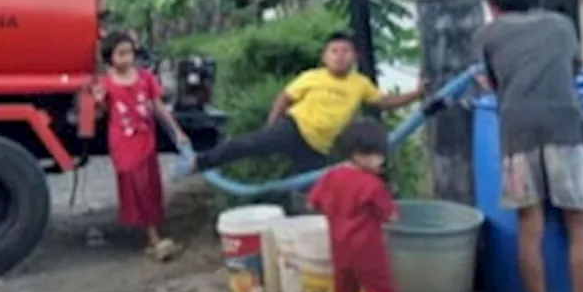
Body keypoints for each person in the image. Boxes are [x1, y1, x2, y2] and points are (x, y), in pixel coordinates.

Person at [476, 0, 583, 292]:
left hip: (517, 134)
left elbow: (496, 84)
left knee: (530, 226)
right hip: (566, 129)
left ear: (494, 2)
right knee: (579, 225)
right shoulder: (561, 25)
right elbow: (573, 72)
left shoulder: (488, 35)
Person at [173, 32, 424, 178]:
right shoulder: (312, 77)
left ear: (354, 57)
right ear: (325, 57)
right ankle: (200, 162)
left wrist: (416, 93)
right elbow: (285, 97)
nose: (339, 56)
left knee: (314, 187)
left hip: (319, 147)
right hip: (293, 128)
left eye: (346, 51)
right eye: (334, 51)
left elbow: (384, 102)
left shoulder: (360, 84)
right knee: (246, 144)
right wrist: (272, 125)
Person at [306, 117, 409, 292]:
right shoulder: (372, 186)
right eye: (376, 156)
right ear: (359, 155)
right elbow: (392, 217)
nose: (380, 161)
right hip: (369, 253)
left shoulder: (331, 176)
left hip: (340, 250)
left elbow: (312, 203)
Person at [93, 31, 189, 261]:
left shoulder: (145, 78)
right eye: (121, 54)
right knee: (132, 181)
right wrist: (98, 102)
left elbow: (159, 108)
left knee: (149, 185)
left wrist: (177, 132)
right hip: (122, 141)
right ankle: (152, 236)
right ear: (110, 57)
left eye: (129, 53)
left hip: (146, 138)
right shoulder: (104, 83)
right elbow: (100, 115)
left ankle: (153, 236)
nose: (126, 58)